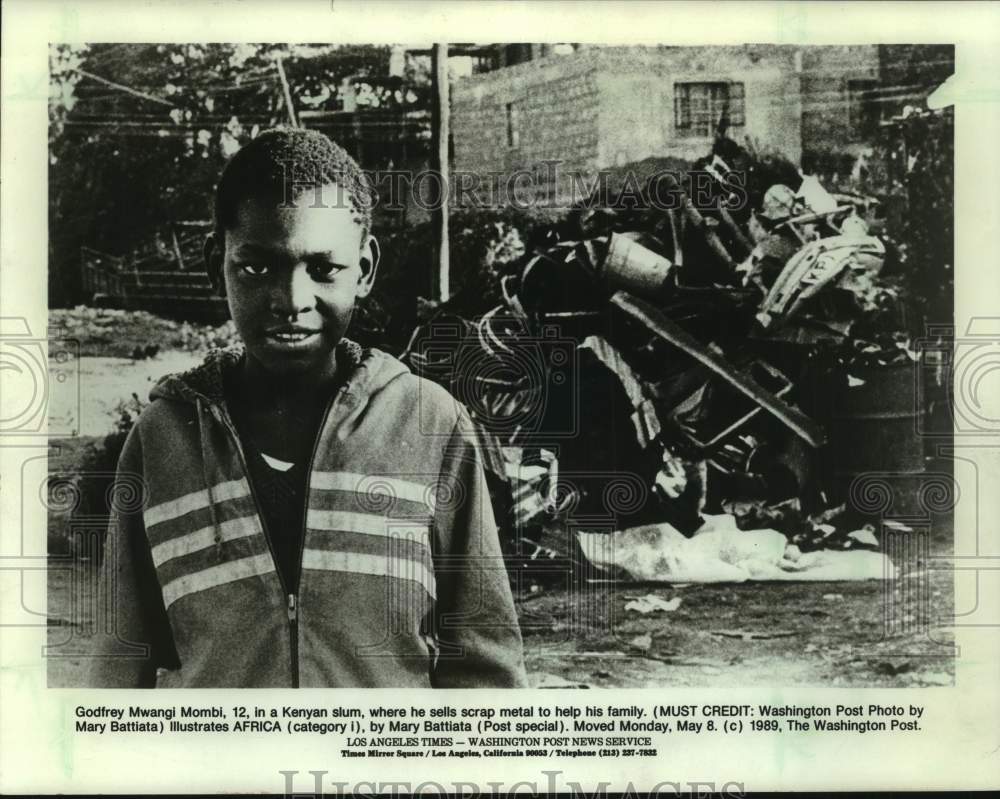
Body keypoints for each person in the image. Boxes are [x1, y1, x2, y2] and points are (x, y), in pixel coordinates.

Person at [88, 128, 528, 688]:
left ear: (364, 269)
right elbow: (118, 668)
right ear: (216, 263)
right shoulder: (163, 439)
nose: (291, 300)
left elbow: (486, 670)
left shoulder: (429, 424)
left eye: (323, 269)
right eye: (256, 268)